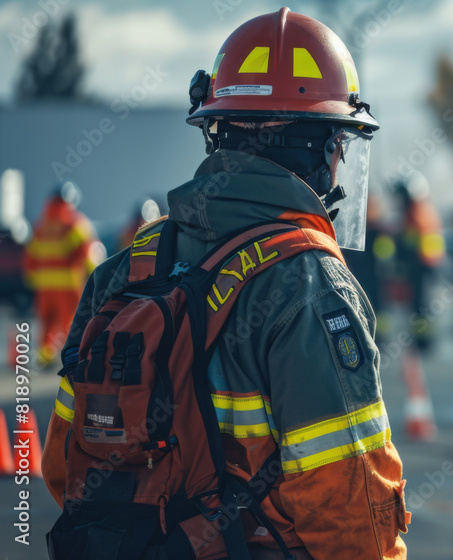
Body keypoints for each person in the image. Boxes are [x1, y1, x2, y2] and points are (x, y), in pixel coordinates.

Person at [41, 9, 409, 558]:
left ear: (218, 132)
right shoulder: (311, 284)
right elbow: (351, 517)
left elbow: (62, 467)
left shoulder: (127, 269)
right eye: (340, 146)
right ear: (322, 148)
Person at [23, 182, 102, 368]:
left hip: (45, 286)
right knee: (71, 322)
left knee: (47, 321)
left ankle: (45, 357)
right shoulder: (76, 223)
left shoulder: (41, 225)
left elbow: (30, 257)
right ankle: (74, 357)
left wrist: (32, 279)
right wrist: (96, 275)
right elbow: (88, 252)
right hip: (68, 284)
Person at [393, 172, 445, 350]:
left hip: (422, 266)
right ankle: (420, 339)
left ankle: (423, 341)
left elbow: (412, 240)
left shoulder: (418, 212)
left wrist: (400, 250)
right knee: (419, 304)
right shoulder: (420, 209)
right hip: (421, 266)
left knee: (422, 305)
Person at [343, 194, 396, 341]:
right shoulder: (360, 232)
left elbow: (385, 254)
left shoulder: (373, 232)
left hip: (371, 278)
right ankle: (377, 337)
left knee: (377, 306)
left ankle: (379, 337)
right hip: (366, 278)